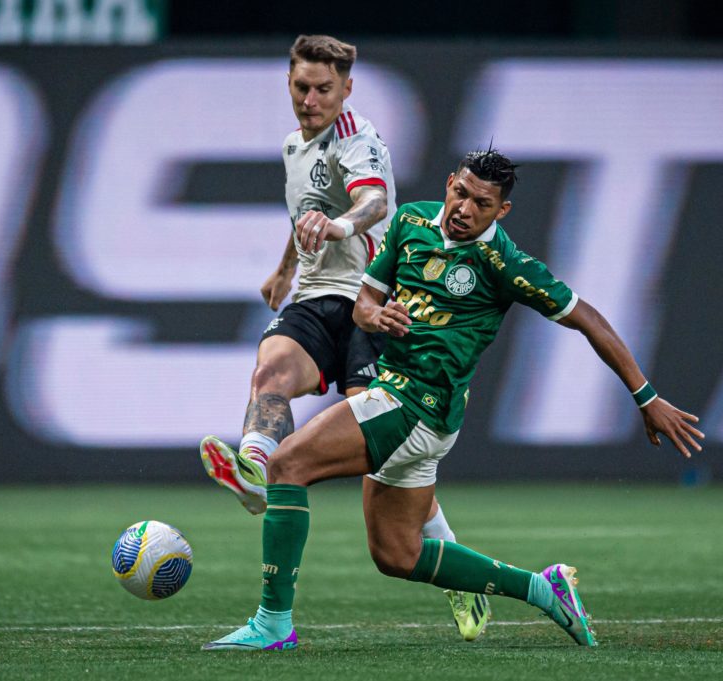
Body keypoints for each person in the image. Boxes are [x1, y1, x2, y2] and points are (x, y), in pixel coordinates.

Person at [202, 148, 706, 651]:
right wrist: (374, 317)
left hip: (416, 404)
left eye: (481, 203)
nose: (464, 208)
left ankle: (272, 624)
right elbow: (365, 301)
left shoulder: (505, 264)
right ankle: (542, 588)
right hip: (411, 406)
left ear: (501, 211)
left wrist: (647, 397)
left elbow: (587, 318)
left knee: (286, 465)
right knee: (397, 555)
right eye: (460, 193)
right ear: (449, 183)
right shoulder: (412, 221)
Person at [198, 35, 492, 641]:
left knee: (385, 472)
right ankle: (255, 466)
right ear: (289, 82)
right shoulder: (292, 145)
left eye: (323, 89)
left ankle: (463, 578)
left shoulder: (359, 140)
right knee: (270, 372)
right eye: (301, 86)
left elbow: (373, 204)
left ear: (347, 89)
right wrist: (285, 267)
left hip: (369, 304)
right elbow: (304, 208)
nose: (310, 99)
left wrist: (338, 224)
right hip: (312, 297)